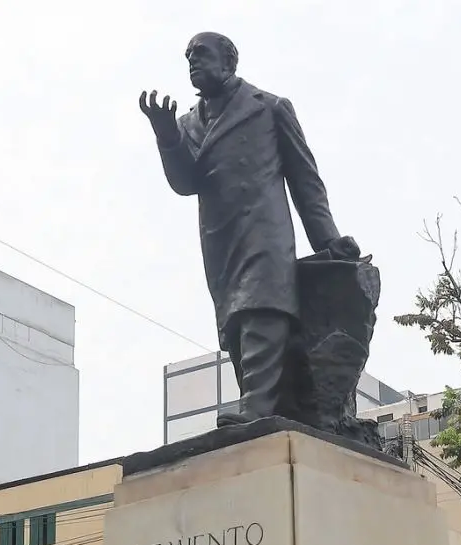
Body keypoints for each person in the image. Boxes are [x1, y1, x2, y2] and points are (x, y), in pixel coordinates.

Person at [138, 33, 360, 424]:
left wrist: (327, 238)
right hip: (219, 239)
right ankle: (270, 408)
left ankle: (256, 407)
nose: (192, 61)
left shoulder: (270, 107)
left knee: (262, 308)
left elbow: (305, 181)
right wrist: (166, 134)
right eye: (188, 56)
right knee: (236, 323)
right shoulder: (188, 122)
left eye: (201, 54)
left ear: (229, 61)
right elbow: (185, 183)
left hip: (265, 230)